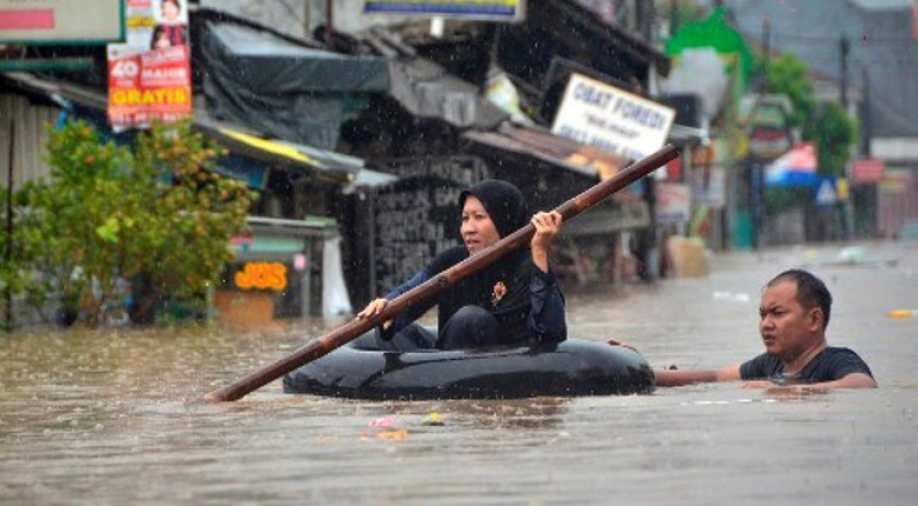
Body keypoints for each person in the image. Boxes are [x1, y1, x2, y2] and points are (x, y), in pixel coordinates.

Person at [356, 179, 566, 350]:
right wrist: (388, 306)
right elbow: (412, 291)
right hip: (446, 360)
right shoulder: (453, 260)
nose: (468, 229)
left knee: (470, 319)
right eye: (465, 218)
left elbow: (550, 335)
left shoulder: (528, 264)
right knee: (393, 329)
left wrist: (540, 250)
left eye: (479, 217)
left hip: (501, 366)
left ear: (505, 219)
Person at [611, 269, 876, 390]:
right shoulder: (771, 365)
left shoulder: (836, 361)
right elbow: (713, 376)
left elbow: (863, 384)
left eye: (778, 313)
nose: (766, 324)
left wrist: (789, 391)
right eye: (762, 315)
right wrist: (638, 367)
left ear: (814, 320)